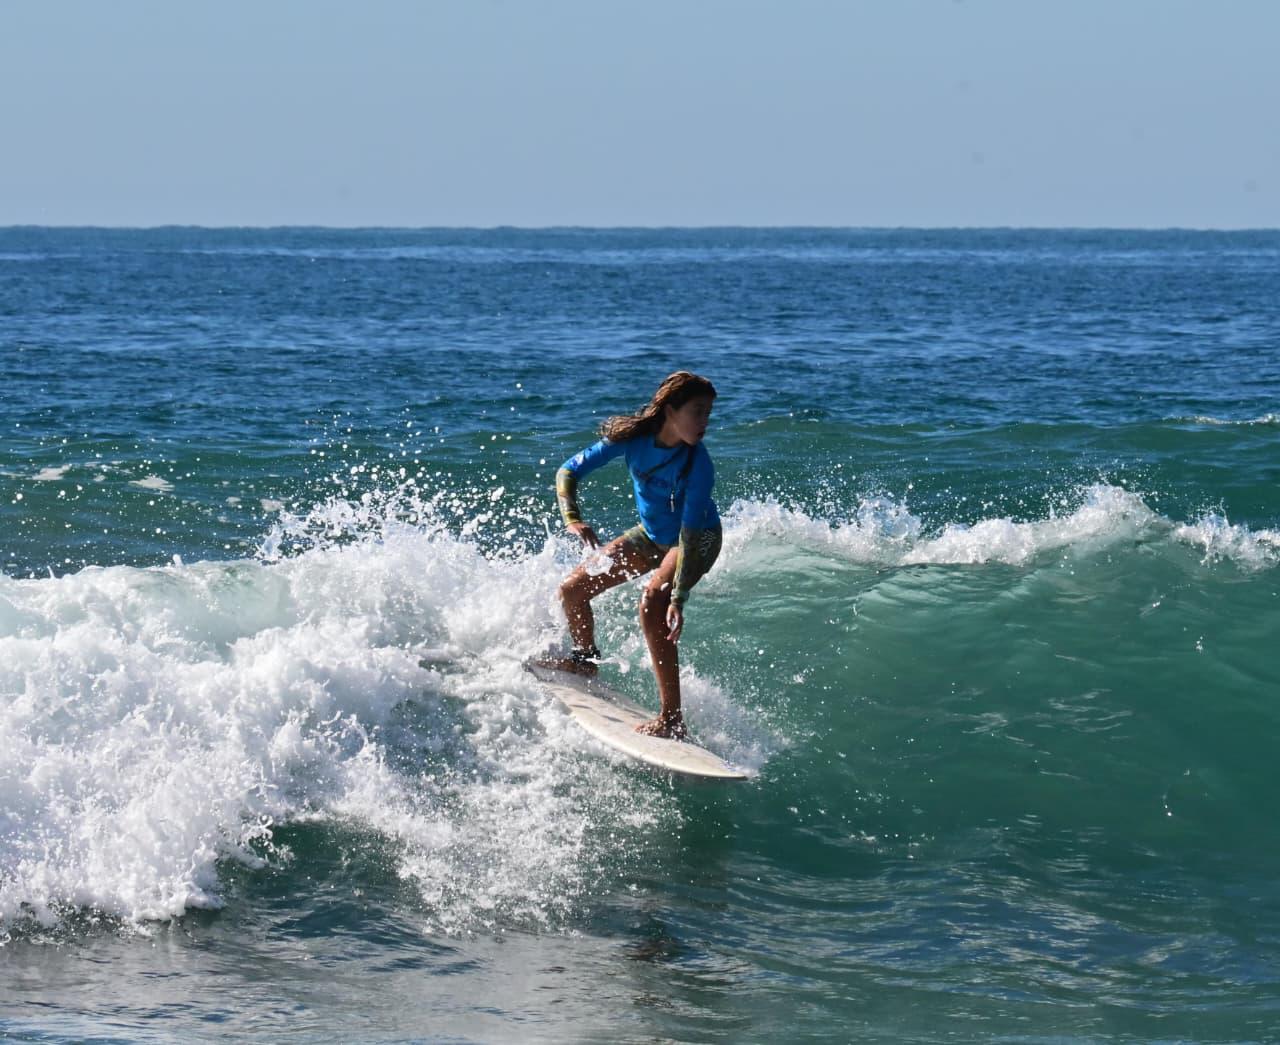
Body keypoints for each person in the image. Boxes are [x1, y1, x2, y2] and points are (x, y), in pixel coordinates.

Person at [540, 371, 722, 739]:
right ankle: (585, 661)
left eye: (708, 414)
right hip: (652, 536)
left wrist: (679, 597)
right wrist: (572, 518)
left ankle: (672, 719)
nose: (705, 423)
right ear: (671, 410)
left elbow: (688, 534)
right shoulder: (633, 441)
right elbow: (568, 471)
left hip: (696, 540)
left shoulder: (698, 465)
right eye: (698, 412)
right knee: (572, 591)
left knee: (653, 600)